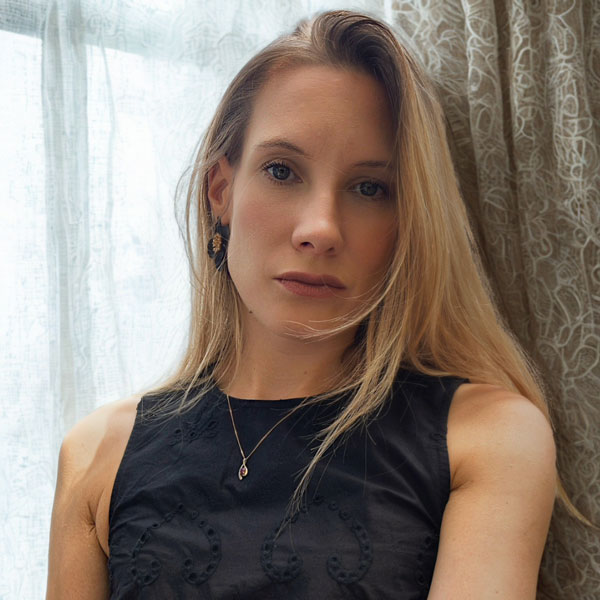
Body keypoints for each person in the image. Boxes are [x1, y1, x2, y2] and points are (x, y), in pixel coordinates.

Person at [46, 10, 557, 599]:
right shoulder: (97, 453)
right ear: (221, 191)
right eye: (282, 170)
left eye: (370, 188)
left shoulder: (484, 436)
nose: (321, 229)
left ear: (408, 222)